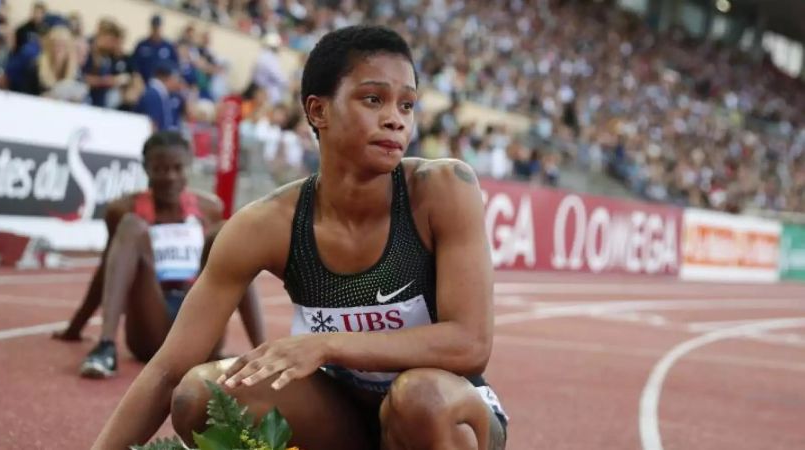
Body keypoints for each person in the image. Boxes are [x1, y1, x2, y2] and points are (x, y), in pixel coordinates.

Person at [91, 25, 508, 449]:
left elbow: (469, 344)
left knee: (419, 398)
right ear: (318, 110)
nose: (395, 118)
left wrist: (327, 345)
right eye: (373, 99)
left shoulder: (443, 188)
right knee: (200, 395)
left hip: (448, 412)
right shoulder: (268, 224)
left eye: (407, 104)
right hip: (343, 415)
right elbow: (167, 372)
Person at [53, 131, 265, 378]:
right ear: (146, 169)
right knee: (131, 225)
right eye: (160, 169)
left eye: (177, 168)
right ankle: (105, 347)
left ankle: (262, 353)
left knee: (225, 233)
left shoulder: (209, 208)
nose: (170, 177)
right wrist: (76, 326)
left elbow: (232, 271)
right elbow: (108, 273)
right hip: (149, 321)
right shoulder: (122, 209)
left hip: (197, 314)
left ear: (189, 167)